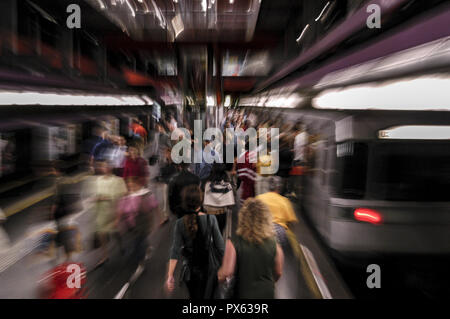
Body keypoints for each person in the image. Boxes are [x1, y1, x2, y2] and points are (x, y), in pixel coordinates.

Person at [166, 185, 224, 299]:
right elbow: (220, 247)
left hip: (190, 271)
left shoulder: (180, 223)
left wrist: (170, 275)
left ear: (185, 203)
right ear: (201, 201)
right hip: (209, 269)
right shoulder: (210, 219)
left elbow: (175, 250)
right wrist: (223, 269)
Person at [217, 198, 284, 299]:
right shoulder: (275, 243)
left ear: (243, 218)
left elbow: (226, 272)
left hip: (243, 292)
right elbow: (278, 272)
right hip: (267, 293)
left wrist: (213, 279)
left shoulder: (234, 242)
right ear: (266, 219)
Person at [116, 177, 160, 271]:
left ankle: (141, 260)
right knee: (136, 241)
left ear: (138, 184)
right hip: (130, 223)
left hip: (142, 221)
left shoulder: (145, 194)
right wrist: (118, 220)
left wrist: (159, 219)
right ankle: (142, 253)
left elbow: (154, 206)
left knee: (139, 241)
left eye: (132, 184)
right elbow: (121, 209)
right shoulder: (126, 196)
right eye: (128, 184)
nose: (130, 186)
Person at [90, 160, 127, 266]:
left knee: (116, 231)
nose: (105, 168)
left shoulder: (118, 180)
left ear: (111, 168)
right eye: (103, 166)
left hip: (113, 210)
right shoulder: (98, 180)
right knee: (101, 233)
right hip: (101, 212)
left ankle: (121, 244)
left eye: (108, 166)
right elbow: (96, 194)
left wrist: (119, 214)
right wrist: (94, 199)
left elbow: (123, 195)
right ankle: (105, 255)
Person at [256, 176, 298, 248]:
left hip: (262, 229)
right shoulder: (284, 201)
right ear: (280, 188)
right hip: (279, 233)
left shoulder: (259, 198)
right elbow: (291, 221)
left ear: (269, 187)